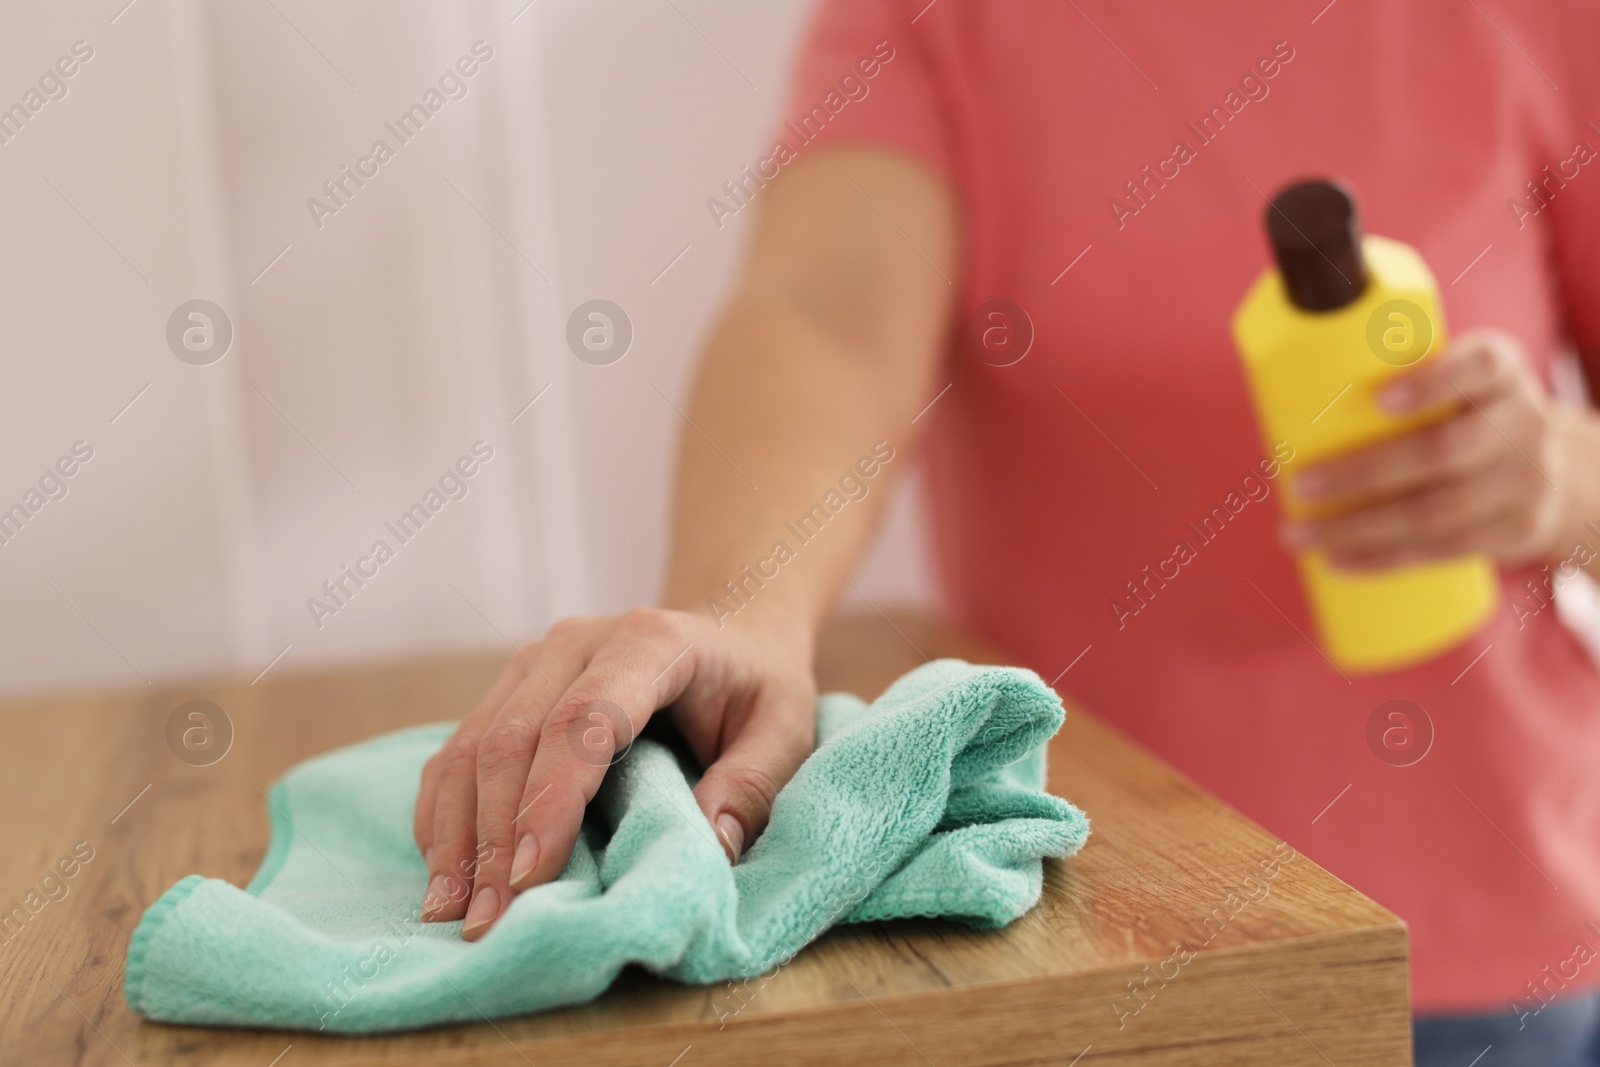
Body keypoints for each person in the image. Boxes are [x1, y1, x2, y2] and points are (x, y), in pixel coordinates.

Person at [412, 2, 1600, 1061]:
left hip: (1494, 961)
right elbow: (827, 321)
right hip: (1083, 933)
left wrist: (1554, 477)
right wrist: (737, 607)